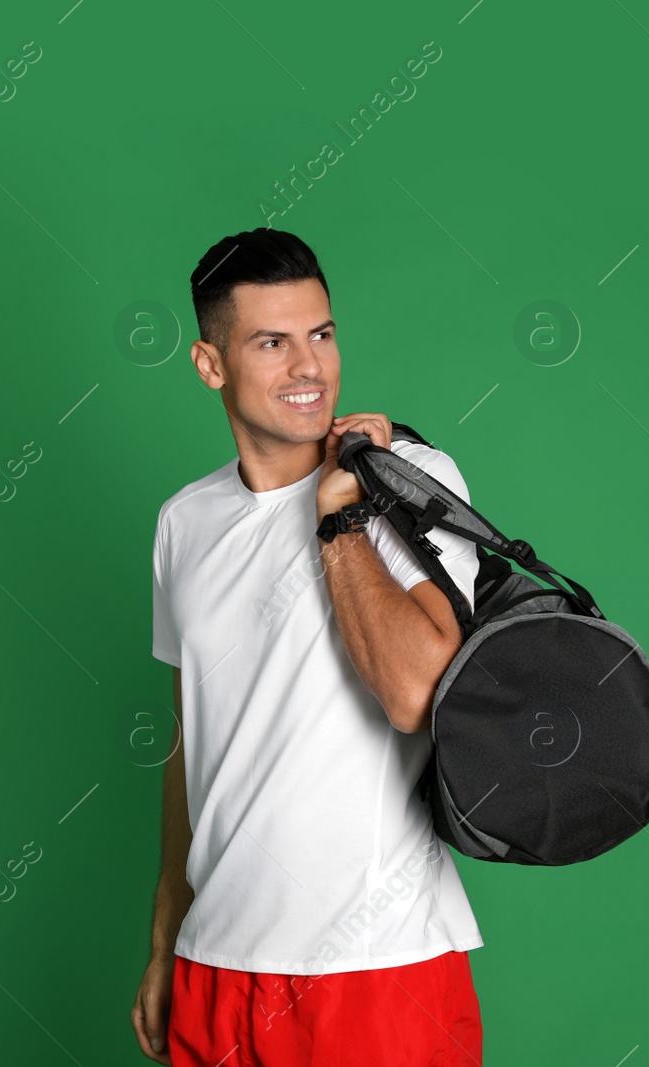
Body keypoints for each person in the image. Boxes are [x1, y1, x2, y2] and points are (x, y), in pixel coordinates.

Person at [131, 229, 484, 1066]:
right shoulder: (184, 522)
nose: (310, 368)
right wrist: (163, 937)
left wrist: (342, 513)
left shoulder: (408, 479)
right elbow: (193, 745)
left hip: (377, 965)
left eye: (322, 335)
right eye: (272, 342)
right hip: (216, 964)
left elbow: (411, 690)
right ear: (210, 364)